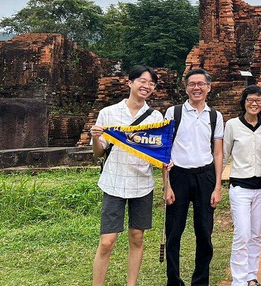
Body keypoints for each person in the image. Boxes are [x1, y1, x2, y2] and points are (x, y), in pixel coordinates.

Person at [90, 65, 164, 286]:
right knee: (107, 241)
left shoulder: (155, 117)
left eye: (151, 83)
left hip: (142, 182)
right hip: (114, 181)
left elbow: (158, 154)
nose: (147, 86)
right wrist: (95, 137)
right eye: (142, 81)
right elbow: (99, 152)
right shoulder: (109, 113)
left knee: (137, 237)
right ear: (129, 82)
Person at [163, 68, 225, 286]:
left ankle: (200, 281)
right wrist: (166, 185)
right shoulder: (174, 112)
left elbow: (218, 152)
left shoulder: (215, 116)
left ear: (209, 87)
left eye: (201, 84)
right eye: (192, 84)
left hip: (205, 175)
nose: (196, 88)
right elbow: (165, 150)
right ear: (186, 87)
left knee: (204, 232)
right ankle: (174, 280)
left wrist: (217, 186)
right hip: (178, 174)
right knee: (174, 232)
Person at [224, 85, 261, 286]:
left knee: (255, 234)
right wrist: (216, 183)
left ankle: (251, 276)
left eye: (258, 101)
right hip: (240, 187)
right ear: (243, 102)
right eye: (250, 100)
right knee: (242, 234)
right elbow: (224, 155)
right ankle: (239, 280)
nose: (254, 104)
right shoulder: (233, 125)